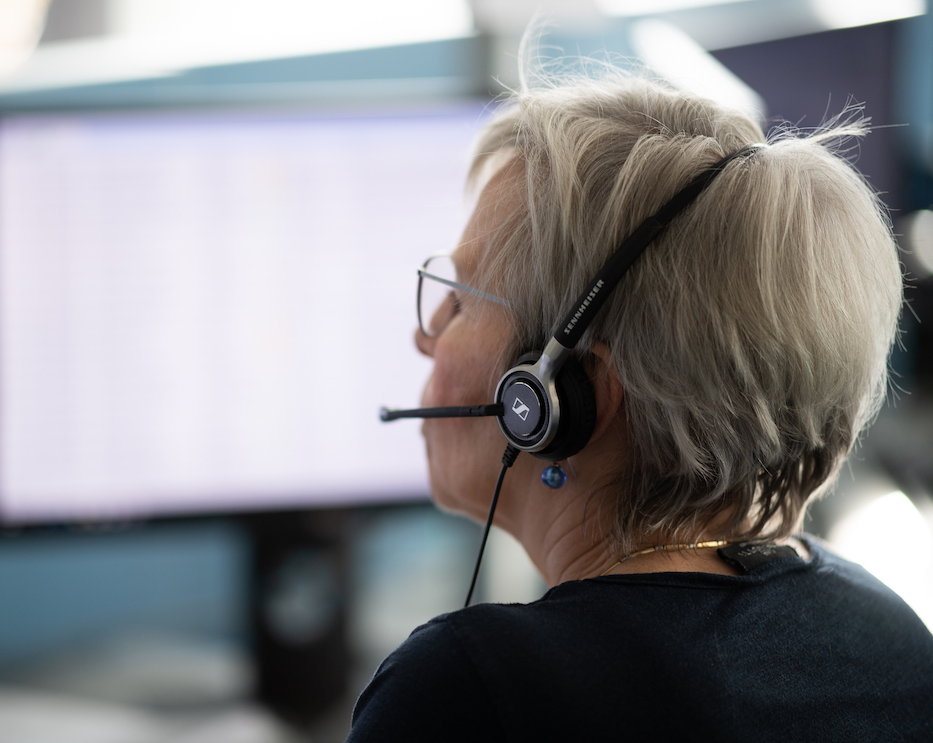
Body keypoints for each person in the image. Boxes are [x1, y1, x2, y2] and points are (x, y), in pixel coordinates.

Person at [348, 70, 933, 740]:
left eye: (464, 297)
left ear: (560, 398)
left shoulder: (474, 694)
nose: (426, 334)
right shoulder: (894, 637)